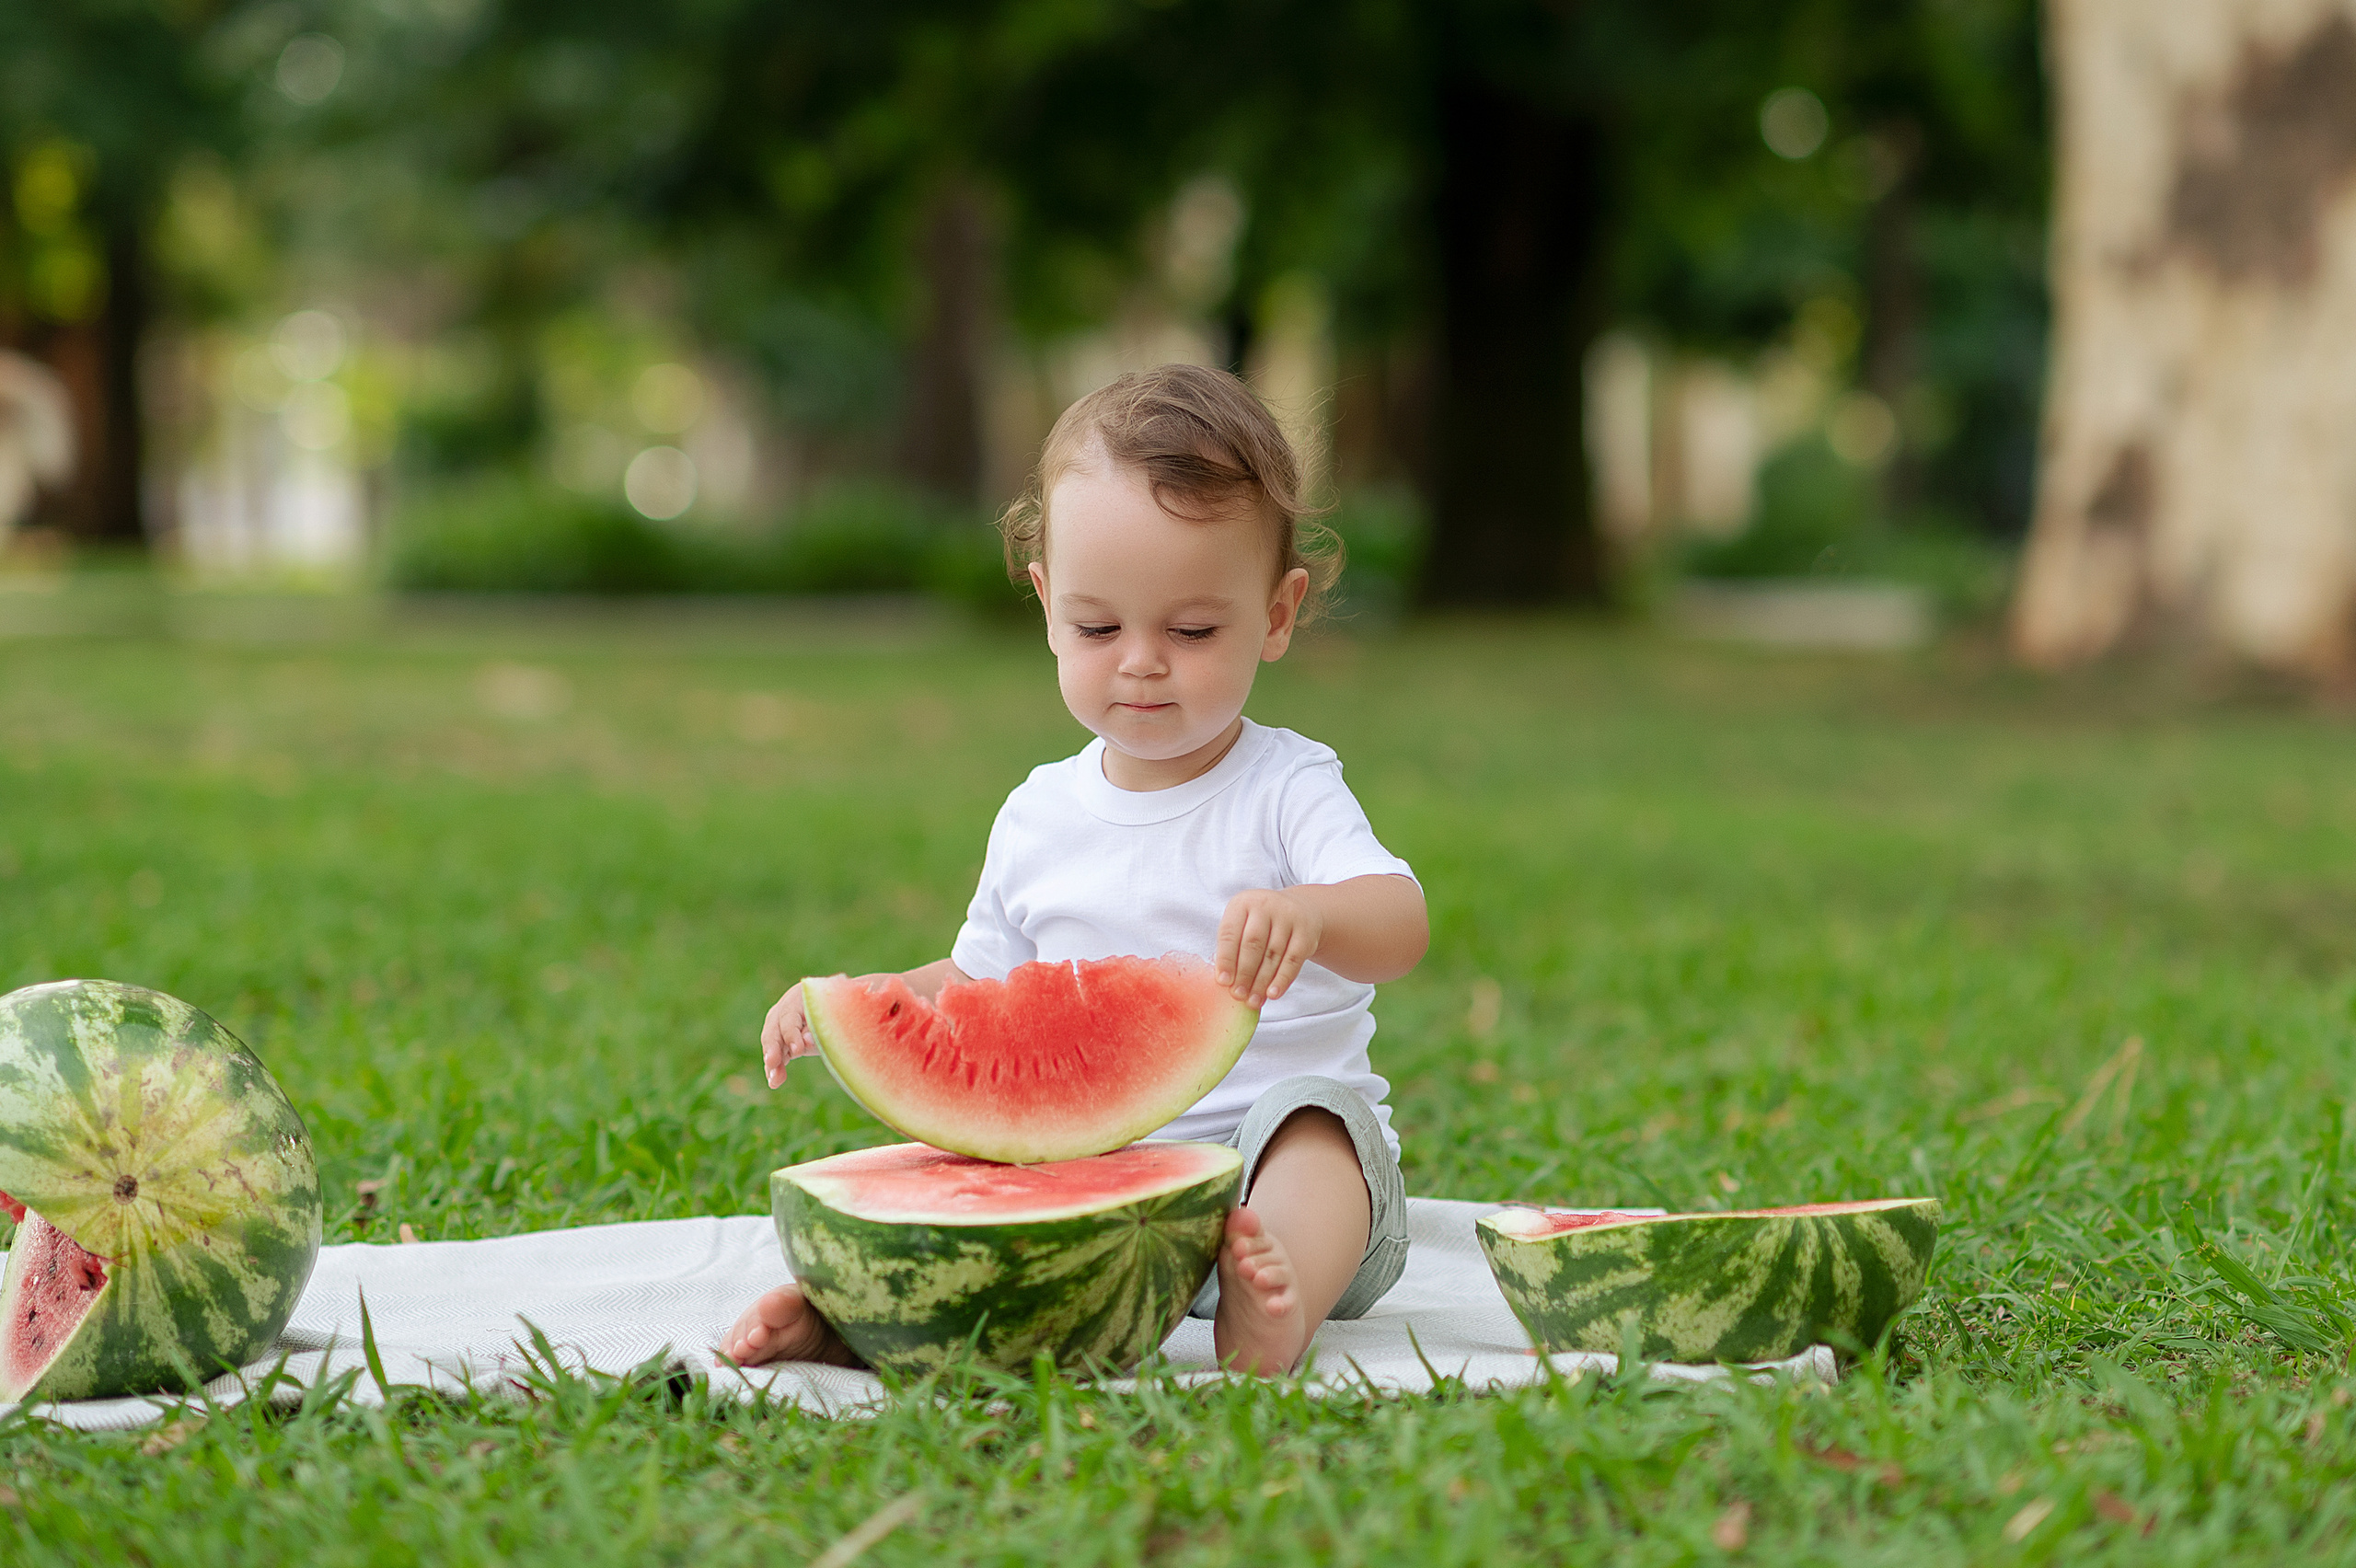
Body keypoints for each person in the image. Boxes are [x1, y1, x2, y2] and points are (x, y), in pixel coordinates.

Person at [722, 364, 1428, 1376]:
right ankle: (856, 1313)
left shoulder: (1289, 786)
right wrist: (849, 1005)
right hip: (1089, 1180)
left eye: (1191, 631)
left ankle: (1279, 1304)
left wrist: (1313, 914)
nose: (1141, 661)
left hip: (1271, 1177)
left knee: (1317, 1127)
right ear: (1048, 605)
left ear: (1276, 615)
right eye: (1099, 628)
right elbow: (975, 991)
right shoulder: (1038, 813)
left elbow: (1400, 923)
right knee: (960, 1152)